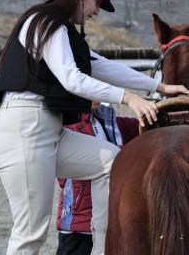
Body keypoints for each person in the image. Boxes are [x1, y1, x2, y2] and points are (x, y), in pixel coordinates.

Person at [0, 0, 189, 255]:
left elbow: (101, 66)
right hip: (24, 129)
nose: (96, 11)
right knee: (30, 232)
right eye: (97, 1)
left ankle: (101, 250)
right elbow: (72, 80)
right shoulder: (45, 22)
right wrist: (128, 98)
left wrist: (159, 87)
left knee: (111, 162)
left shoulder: (62, 31)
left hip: (49, 130)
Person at [56, 101, 139, 255]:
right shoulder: (68, 125)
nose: (97, 95)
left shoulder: (111, 123)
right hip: (78, 225)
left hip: (111, 222)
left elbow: (145, 127)